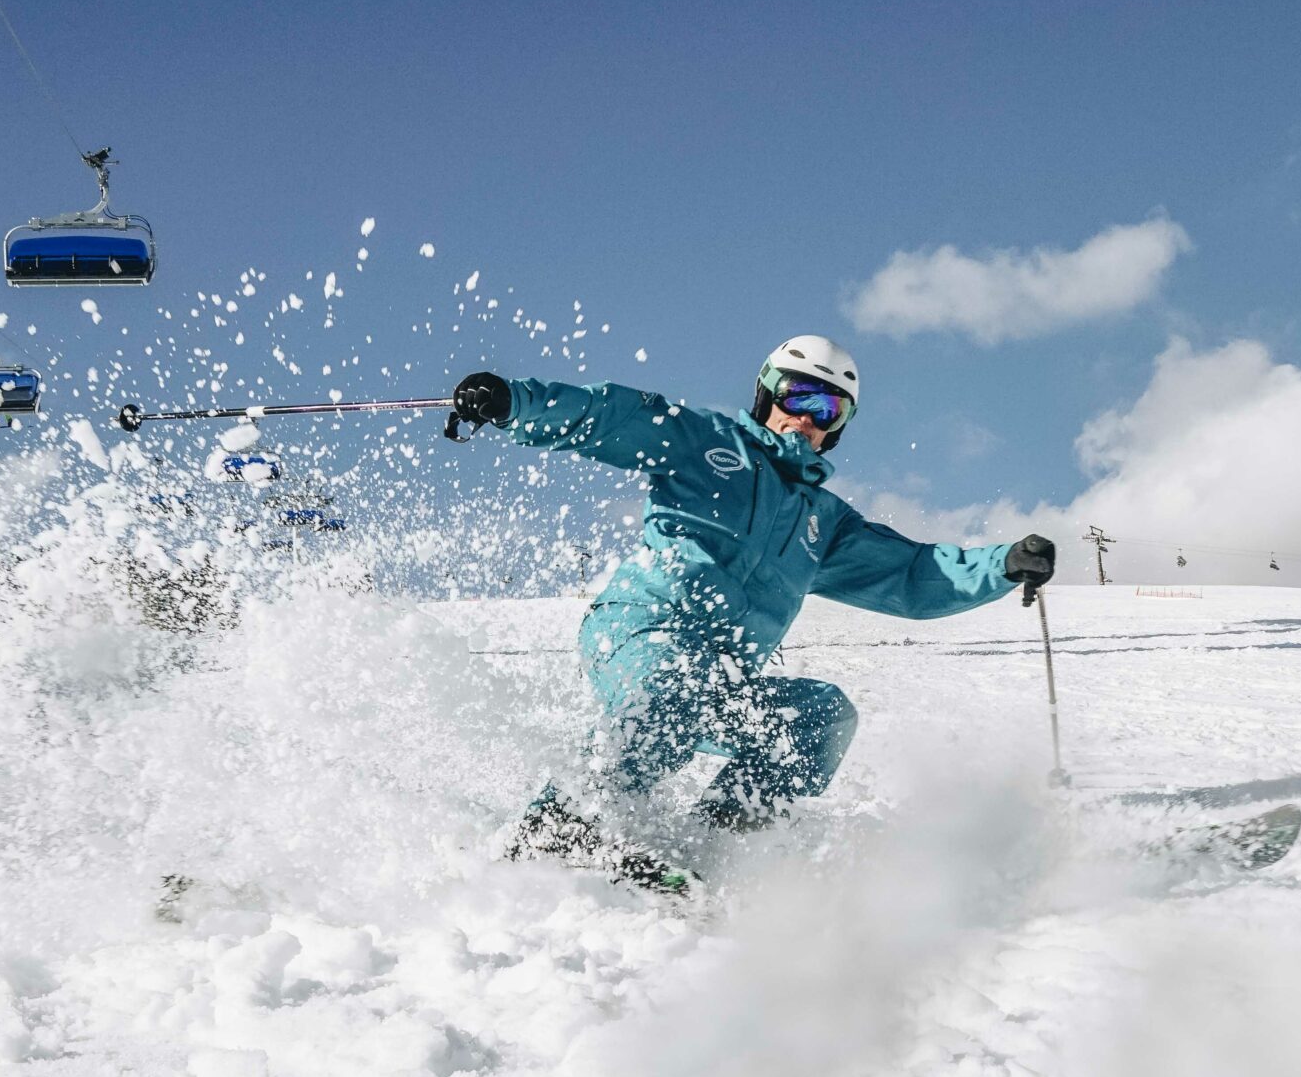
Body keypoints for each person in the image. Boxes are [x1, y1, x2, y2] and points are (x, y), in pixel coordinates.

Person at [449, 335, 1055, 886]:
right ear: (766, 394)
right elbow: (613, 418)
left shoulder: (823, 521)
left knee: (820, 716)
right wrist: (514, 403)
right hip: (641, 627)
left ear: (837, 428)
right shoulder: (705, 442)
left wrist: (1003, 564)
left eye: (828, 410)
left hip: (722, 674)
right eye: (797, 395)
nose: (806, 418)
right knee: (672, 685)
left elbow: (913, 574)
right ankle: (562, 825)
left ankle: (714, 842)